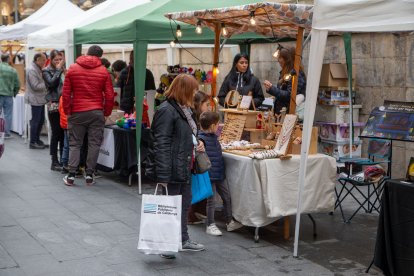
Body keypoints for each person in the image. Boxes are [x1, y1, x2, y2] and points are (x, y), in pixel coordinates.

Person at [146, 74, 205, 255]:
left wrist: (198, 141)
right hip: (172, 166)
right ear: (184, 90)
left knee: (184, 204)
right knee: (169, 207)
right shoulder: (167, 110)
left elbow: (190, 133)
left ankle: (182, 239)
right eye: (193, 89)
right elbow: (160, 143)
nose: (195, 93)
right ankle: (165, 244)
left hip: (184, 164)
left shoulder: (184, 109)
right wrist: (163, 175)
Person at [62, 45, 114, 186]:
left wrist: (67, 111)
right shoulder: (104, 71)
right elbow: (110, 95)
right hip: (96, 111)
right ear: (100, 56)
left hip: (77, 111)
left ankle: (71, 175)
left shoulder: (73, 68)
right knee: (94, 144)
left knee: (75, 144)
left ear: (86, 53)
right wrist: (107, 112)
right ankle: (90, 175)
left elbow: (65, 93)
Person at [198, 111, 243, 236]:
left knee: (227, 196)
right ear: (212, 126)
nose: (219, 126)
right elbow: (199, 145)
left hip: (219, 173)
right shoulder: (202, 139)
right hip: (210, 174)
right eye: (218, 124)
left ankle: (229, 221)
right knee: (211, 200)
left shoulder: (213, 137)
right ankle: (210, 224)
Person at [188, 90, 211, 224]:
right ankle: (191, 213)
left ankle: (198, 211)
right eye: (206, 104)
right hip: (192, 155)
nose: (209, 107)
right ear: (199, 104)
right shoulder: (194, 118)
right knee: (194, 183)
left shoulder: (198, 117)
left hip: (196, 153)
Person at [263, 47, 306, 115]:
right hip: (281, 112)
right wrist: (270, 88)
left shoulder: (296, 74)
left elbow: (290, 96)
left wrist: (272, 89)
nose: (278, 60)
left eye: (280, 58)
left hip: (290, 114)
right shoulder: (285, 73)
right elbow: (282, 92)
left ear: (287, 60)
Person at [43, 50, 65, 171]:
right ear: (51, 60)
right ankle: (54, 161)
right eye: (55, 59)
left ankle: (63, 159)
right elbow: (51, 84)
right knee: (56, 132)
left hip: (64, 103)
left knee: (63, 133)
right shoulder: (46, 70)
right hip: (54, 103)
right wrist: (58, 70)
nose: (58, 62)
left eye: (59, 59)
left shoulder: (63, 69)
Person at [25, 53, 48, 149]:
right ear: (37, 59)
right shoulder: (32, 70)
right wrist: (47, 83)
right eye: (43, 60)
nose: (45, 62)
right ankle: (33, 142)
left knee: (40, 120)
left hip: (40, 99)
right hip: (35, 99)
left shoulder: (37, 68)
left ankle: (37, 139)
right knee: (36, 121)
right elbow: (35, 86)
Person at [0, 53, 20, 139]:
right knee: (8, 114)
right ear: (8, 59)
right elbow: (17, 84)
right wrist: (14, 93)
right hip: (8, 95)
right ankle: (7, 133)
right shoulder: (13, 70)